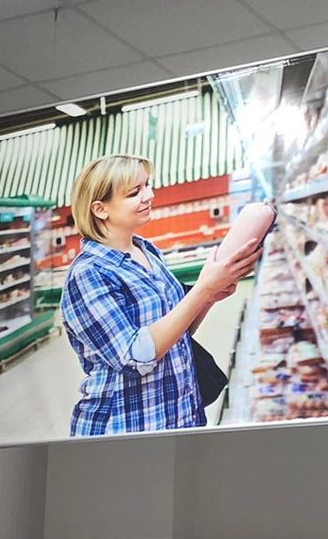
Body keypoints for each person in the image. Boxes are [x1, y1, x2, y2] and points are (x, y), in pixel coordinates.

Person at [60, 154, 260, 436]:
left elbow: (177, 331)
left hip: (181, 417)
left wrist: (209, 296)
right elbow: (134, 357)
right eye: (134, 192)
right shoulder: (88, 274)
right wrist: (202, 289)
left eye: (147, 185)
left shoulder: (147, 251)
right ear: (100, 209)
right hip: (128, 432)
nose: (149, 195)